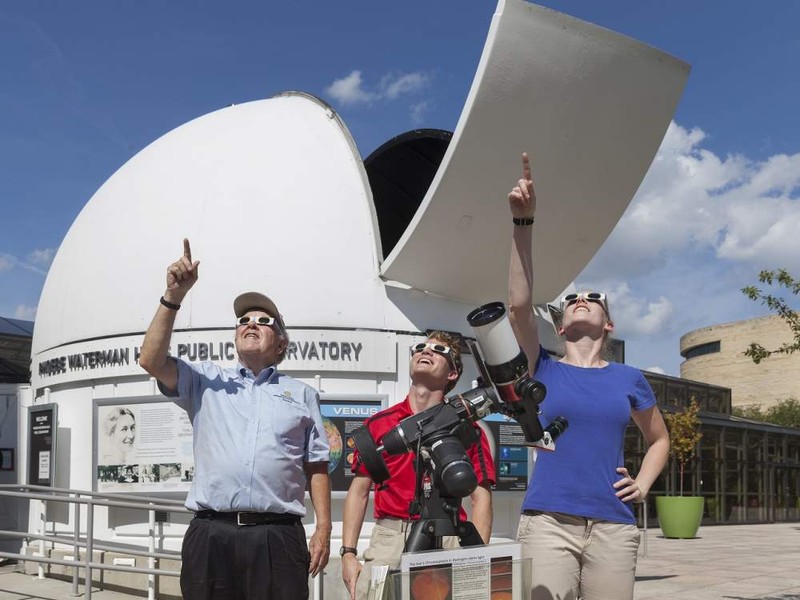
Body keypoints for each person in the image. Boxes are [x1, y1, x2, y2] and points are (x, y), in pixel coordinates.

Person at [506, 153, 670, 600]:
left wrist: (643, 483)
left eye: (592, 297)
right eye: (572, 298)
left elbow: (660, 439)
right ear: (560, 326)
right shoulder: (542, 365)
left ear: (609, 323)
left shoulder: (629, 378)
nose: (580, 299)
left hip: (613, 523)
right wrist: (524, 224)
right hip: (548, 522)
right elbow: (519, 307)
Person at [139, 239, 331, 600]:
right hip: (213, 535)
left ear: (281, 344)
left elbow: (316, 465)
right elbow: (150, 360)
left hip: (278, 538)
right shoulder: (205, 381)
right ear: (235, 336)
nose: (251, 323)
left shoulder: (303, 395)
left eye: (263, 320)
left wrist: (323, 527)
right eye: (243, 320)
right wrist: (173, 296)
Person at [341, 331, 496, 600]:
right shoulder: (378, 424)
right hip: (390, 537)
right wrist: (348, 553)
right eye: (421, 347)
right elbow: (359, 491)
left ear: (452, 374)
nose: (426, 351)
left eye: (438, 350)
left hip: (448, 537)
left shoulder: (469, 430)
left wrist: (475, 561)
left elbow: (480, 498)